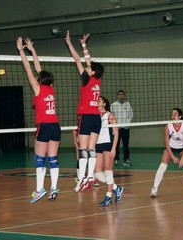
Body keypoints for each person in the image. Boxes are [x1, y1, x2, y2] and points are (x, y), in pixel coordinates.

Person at [17, 37, 61, 203]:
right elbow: (38, 68)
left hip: (44, 126)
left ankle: (39, 189)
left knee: (39, 159)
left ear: (39, 80)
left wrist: (21, 50)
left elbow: (29, 68)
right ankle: (54, 188)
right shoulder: (51, 88)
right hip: (56, 126)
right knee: (53, 159)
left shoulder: (37, 88)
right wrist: (33, 50)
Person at [65, 31, 104, 192]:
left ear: (92, 71)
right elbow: (88, 61)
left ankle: (82, 178)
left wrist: (69, 43)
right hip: (96, 118)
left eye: (89, 68)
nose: (87, 67)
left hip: (86, 116)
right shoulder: (97, 79)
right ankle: (89, 176)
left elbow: (77, 59)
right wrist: (83, 45)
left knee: (83, 148)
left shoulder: (86, 78)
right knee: (92, 148)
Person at [150, 107, 183, 198]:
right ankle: (154, 190)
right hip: (171, 148)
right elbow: (167, 144)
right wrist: (172, 157)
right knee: (162, 166)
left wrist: (182, 159)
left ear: (180, 116)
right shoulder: (168, 126)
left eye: (175, 114)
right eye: (172, 114)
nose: (173, 116)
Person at [95, 96, 124, 207]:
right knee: (97, 173)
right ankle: (117, 188)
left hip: (108, 144)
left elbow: (116, 133)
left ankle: (108, 197)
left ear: (104, 103)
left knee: (108, 171)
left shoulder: (110, 116)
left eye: (100, 100)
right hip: (97, 145)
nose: (97, 101)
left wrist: (113, 148)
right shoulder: (95, 116)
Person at [110, 90, 133, 167]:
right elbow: (111, 116)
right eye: (119, 94)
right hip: (117, 128)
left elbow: (131, 115)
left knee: (126, 145)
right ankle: (115, 159)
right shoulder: (113, 105)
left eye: (122, 94)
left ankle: (126, 159)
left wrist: (127, 123)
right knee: (116, 144)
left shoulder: (128, 104)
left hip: (125, 128)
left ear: (124, 95)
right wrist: (115, 125)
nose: (121, 96)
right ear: (117, 96)